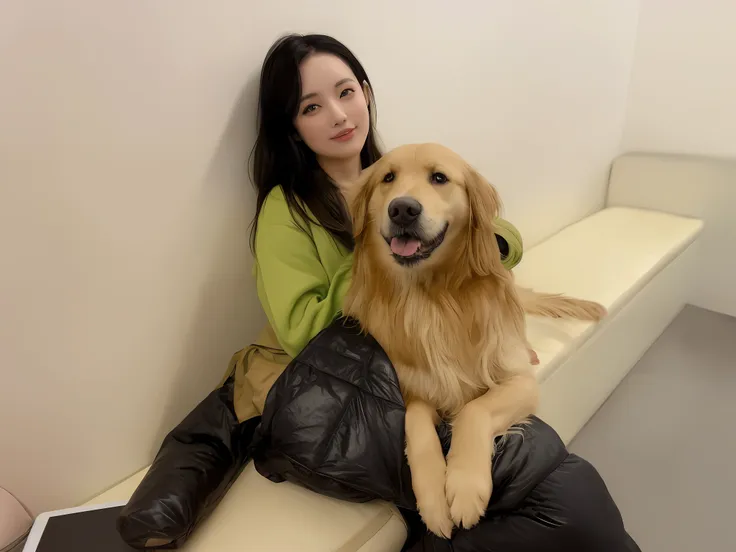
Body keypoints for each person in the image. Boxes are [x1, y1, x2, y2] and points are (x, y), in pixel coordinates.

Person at [250, 33, 525, 361]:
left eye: (345, 92)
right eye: (311, 107)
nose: (338, 115)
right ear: (293, 128)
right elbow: (300, 331)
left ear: (365, 94)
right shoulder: (285, 209)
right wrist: (374, 256)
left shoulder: (394, 170)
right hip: (343, 372)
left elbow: (497, 235)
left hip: (424, 351)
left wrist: (496, 325)